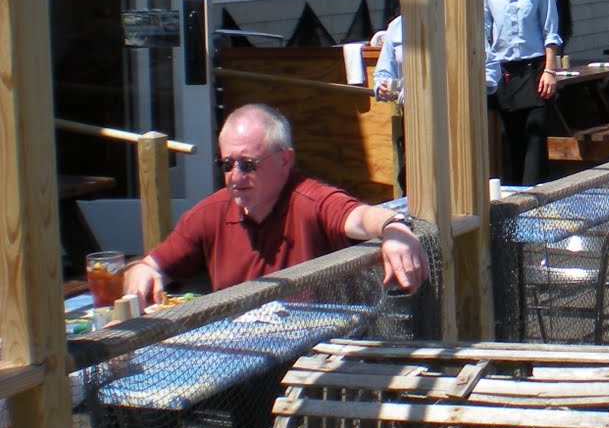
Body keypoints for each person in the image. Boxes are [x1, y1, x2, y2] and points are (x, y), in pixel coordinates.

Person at [123, 103, 428, 305]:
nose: (235, 176)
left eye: (248, 164)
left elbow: (360, 217)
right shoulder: (207, 214)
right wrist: (141, 273)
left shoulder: (310, 199)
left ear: (285, 160)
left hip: (314, 357)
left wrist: (393, 229)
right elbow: (151, 266)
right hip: (237, 357)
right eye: (227, 164)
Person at [484, 0, 562, 186]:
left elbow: (550, 30)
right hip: (504, 69)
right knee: (514, 136)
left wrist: (550, 70)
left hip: (535, 68)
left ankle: (535, 193)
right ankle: (516, 196)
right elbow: (483, 30)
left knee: (536, 130)